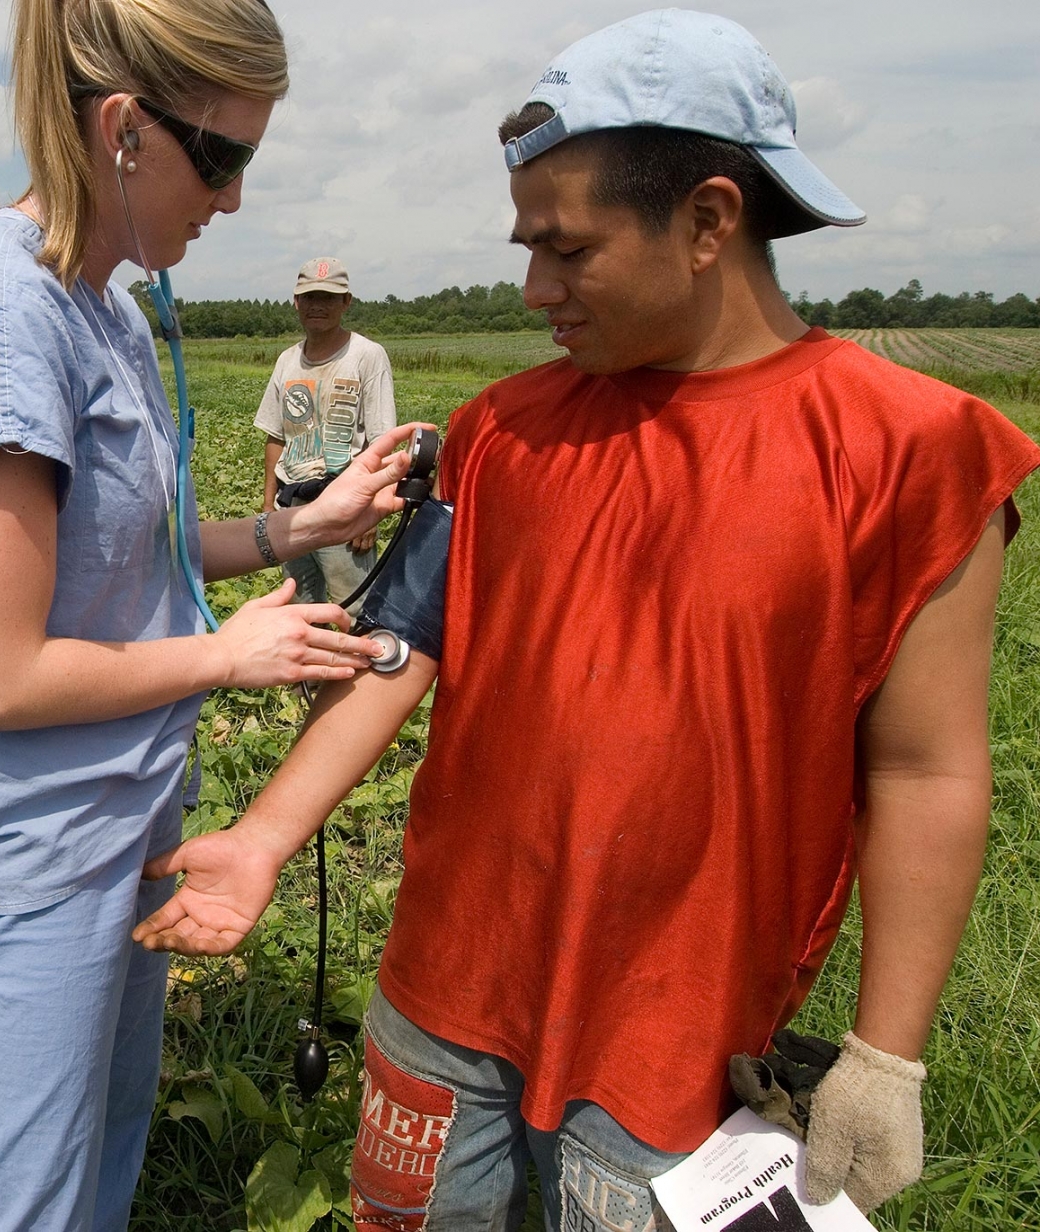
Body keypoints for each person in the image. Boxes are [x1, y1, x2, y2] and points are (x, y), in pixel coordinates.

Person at [135, 9, 1040, 1227]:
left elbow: (927, 767)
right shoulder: (505, 431)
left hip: (683, 1042)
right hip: (448, 985)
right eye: (527, 247)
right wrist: (261, 836)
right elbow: (406, 648)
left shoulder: (911, 455)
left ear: (710, 222)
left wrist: (886, 1053)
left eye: (566, 250)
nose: (533, 287)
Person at [0, 1, 422, 1227]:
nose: (232, 199)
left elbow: (128, 550)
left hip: (122, 810)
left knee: (101, 1141)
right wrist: (225, 654)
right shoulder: (2, 323)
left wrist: (296, 529)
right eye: (223, 158)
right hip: (33, 846)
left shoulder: (97, 299)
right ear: (121, 130)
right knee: (25, 1198)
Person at [256, 257, 396, 607]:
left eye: (329, 297)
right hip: (292, 507)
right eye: (310, 297)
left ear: (346, 302)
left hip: (345, 504)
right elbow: (276, 435)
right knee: (299, 608)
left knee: (354, 608)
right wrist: (267, 502)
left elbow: (382, 441)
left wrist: (371, 509)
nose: (318, 305)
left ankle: (355, 663)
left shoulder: (367, 356)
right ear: (296, 301)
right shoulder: (287, 361)